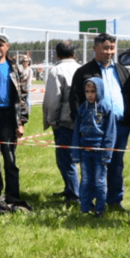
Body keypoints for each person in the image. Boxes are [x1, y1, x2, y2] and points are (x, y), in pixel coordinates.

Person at [70, 33, 130, 210]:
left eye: (112, 47)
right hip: (94, 131)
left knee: (116, 164)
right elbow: (75, 100)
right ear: (95, 48)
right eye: (105, 47)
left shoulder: (121, 70)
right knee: (93, 168)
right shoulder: (84, 72)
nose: (109, 51)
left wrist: (129, 118)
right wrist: (84, 126)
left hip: (119, 128)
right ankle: (91, 202)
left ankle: (114, 200)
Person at [0, 33, 28, 209]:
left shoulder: (15, 68)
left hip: (9, 117)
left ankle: (12, 195)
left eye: (0, 45)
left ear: (7, 47)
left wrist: (21, 122)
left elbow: (23, 96)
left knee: (9, 158)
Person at [73, 78, 117, 218]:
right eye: (87, 92)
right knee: (85, 181)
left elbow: (110, 133)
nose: (90, 95)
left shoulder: (106, 108)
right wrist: (76, 153)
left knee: (99, 182)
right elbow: (76, 133)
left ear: (99, 91)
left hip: (100, 153)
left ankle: (100, 209)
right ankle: (84, 208)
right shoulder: (82, 109)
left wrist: (107, 153)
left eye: (93, 91)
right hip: (85, 152)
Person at [43, 41, 80, 204]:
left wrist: (51, 119)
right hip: (81, 120)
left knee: (65, 159)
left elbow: (54, 98)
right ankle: (71, 189)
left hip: (64, 121)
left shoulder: (56, 70)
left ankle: (73, 194)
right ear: (74, 54)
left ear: (57, 55)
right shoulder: (81, 68)